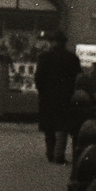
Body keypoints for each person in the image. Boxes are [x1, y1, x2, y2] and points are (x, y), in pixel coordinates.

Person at [35, 30, 82, 163]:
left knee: (49, 128)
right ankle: (58, 155)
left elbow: (38, 78)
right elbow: (78, 78)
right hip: (65, 97)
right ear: (64, 43)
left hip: (48, 97)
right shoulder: (72, 58)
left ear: (51, 43)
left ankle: (50, 153)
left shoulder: (44, 57)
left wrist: (42, 91)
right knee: (62, 127)